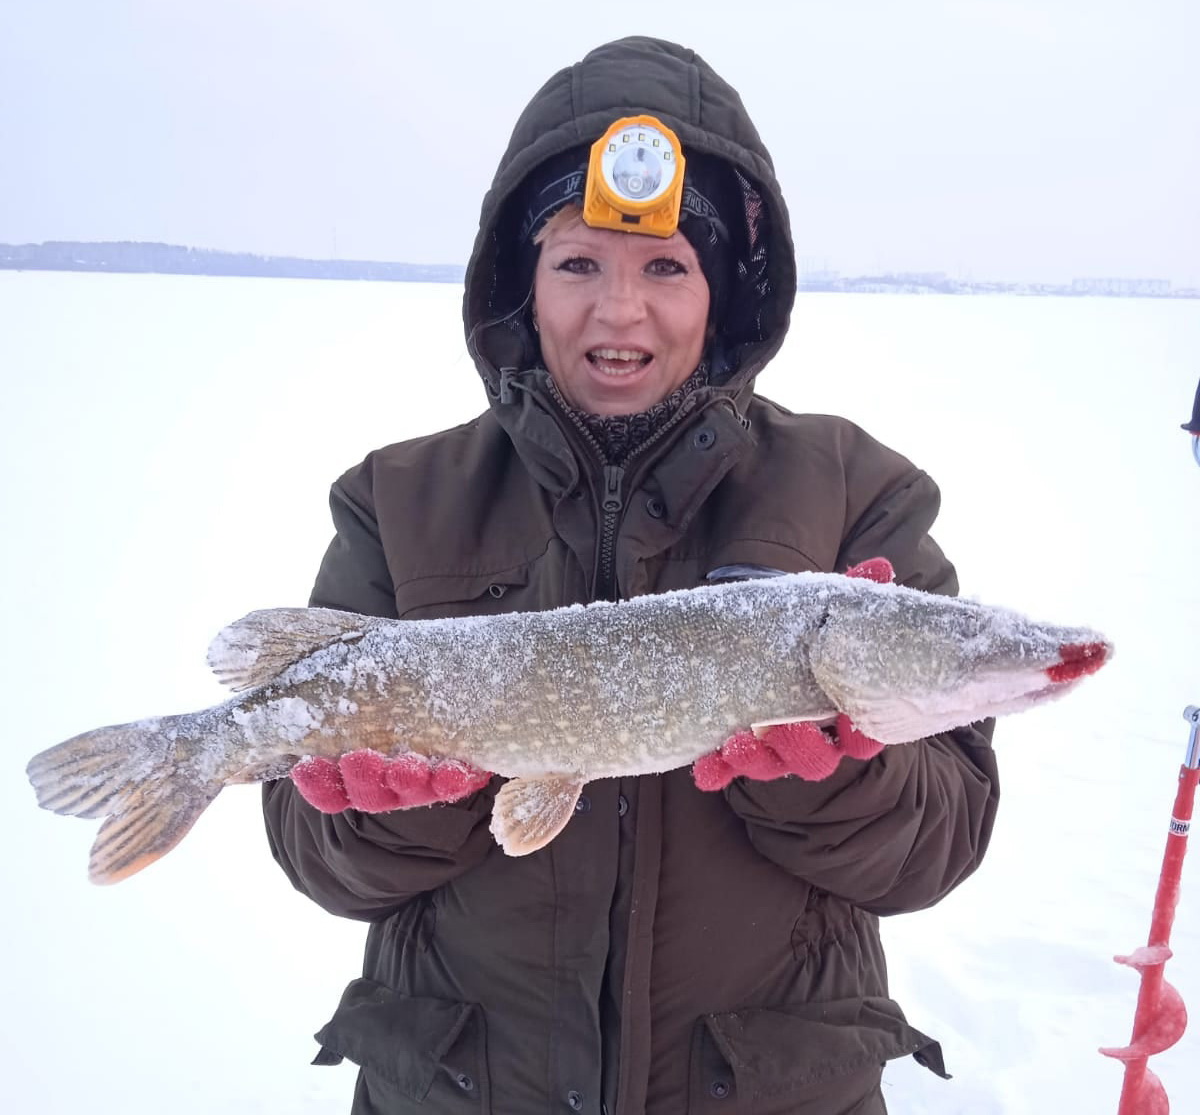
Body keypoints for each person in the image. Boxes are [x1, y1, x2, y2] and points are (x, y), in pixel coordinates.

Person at [263, 36, 1000, 1115]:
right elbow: (319, 849)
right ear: (523, 280)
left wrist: (832, 771)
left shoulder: (856, 492)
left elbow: (941, 839)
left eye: (666, 266)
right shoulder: (396, 498)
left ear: (724, 290)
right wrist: (400, 809)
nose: (620, 313)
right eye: (578, 264)